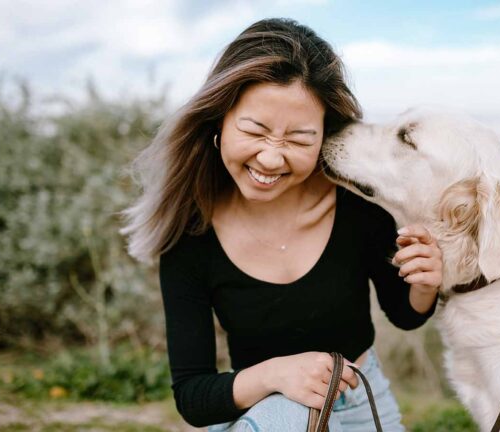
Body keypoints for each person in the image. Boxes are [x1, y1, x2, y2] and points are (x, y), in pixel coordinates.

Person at [120, 18, 442, 431]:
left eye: (299, 139)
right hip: (261, 414)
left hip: (361, 404)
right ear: (219, 119)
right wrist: (277, 375)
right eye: (254, 130)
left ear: (325, 135)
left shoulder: (358, 205)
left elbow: (404, 314)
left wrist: (424, 283)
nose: (271, 158)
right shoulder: (191, 235)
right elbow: (193, 397)